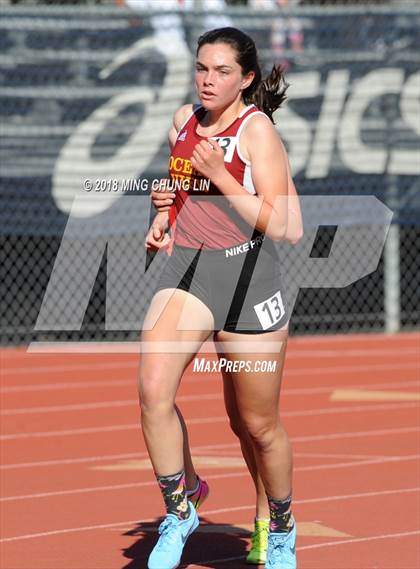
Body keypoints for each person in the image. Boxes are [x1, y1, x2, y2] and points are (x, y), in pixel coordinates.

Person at [140, 26, 303, 569]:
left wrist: (223, 177)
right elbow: (181, 186)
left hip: (249, 283)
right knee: (153, 389)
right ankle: (180, 509)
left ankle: (278, 524)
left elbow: (286, 226)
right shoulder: (183, 122)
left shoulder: (257, 132)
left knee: (254, 424)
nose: (209, 81)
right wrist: (164, 214)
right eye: (202, 69)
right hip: (191, 272)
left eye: (223, 72)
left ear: (246, 79)